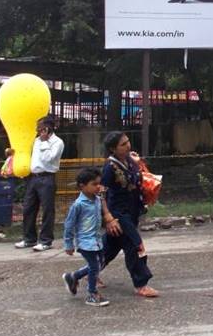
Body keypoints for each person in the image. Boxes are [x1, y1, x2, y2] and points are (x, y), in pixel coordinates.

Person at [100, 131, 159, 298]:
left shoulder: (130, 161)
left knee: (111, 247)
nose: (128, 146)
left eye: (128, 142)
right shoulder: (109, 168)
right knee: (135, 245)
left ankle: (83, 273)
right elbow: (101, 194)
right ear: (113, 149)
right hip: (119, 213)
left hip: (132, 211)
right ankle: (141, 283)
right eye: (123, 144)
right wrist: (108, 218)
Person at [62, 168, 117, 307]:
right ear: (82, 186)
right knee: (94, 267)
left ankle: (73, 276)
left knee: (99, 264)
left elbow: (104, 212)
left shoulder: (98, 200)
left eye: (99, 183)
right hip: (86, 242)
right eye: (94, 184)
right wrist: (68, 244)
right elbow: (69, 225)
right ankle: (92, 294)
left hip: (97, 240)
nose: (98, 186)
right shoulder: (78, 205)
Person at [15, 116, 65, 251]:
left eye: (40, 128)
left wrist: (44, 142)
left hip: (47, 177)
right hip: (33, 177)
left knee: (47, 210)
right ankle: (29, 238)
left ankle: (45, 240)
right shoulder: (36, 141)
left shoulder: (57, 142)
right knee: (28, 208)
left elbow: (48, 159)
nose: (38, 130)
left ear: (47, 128)